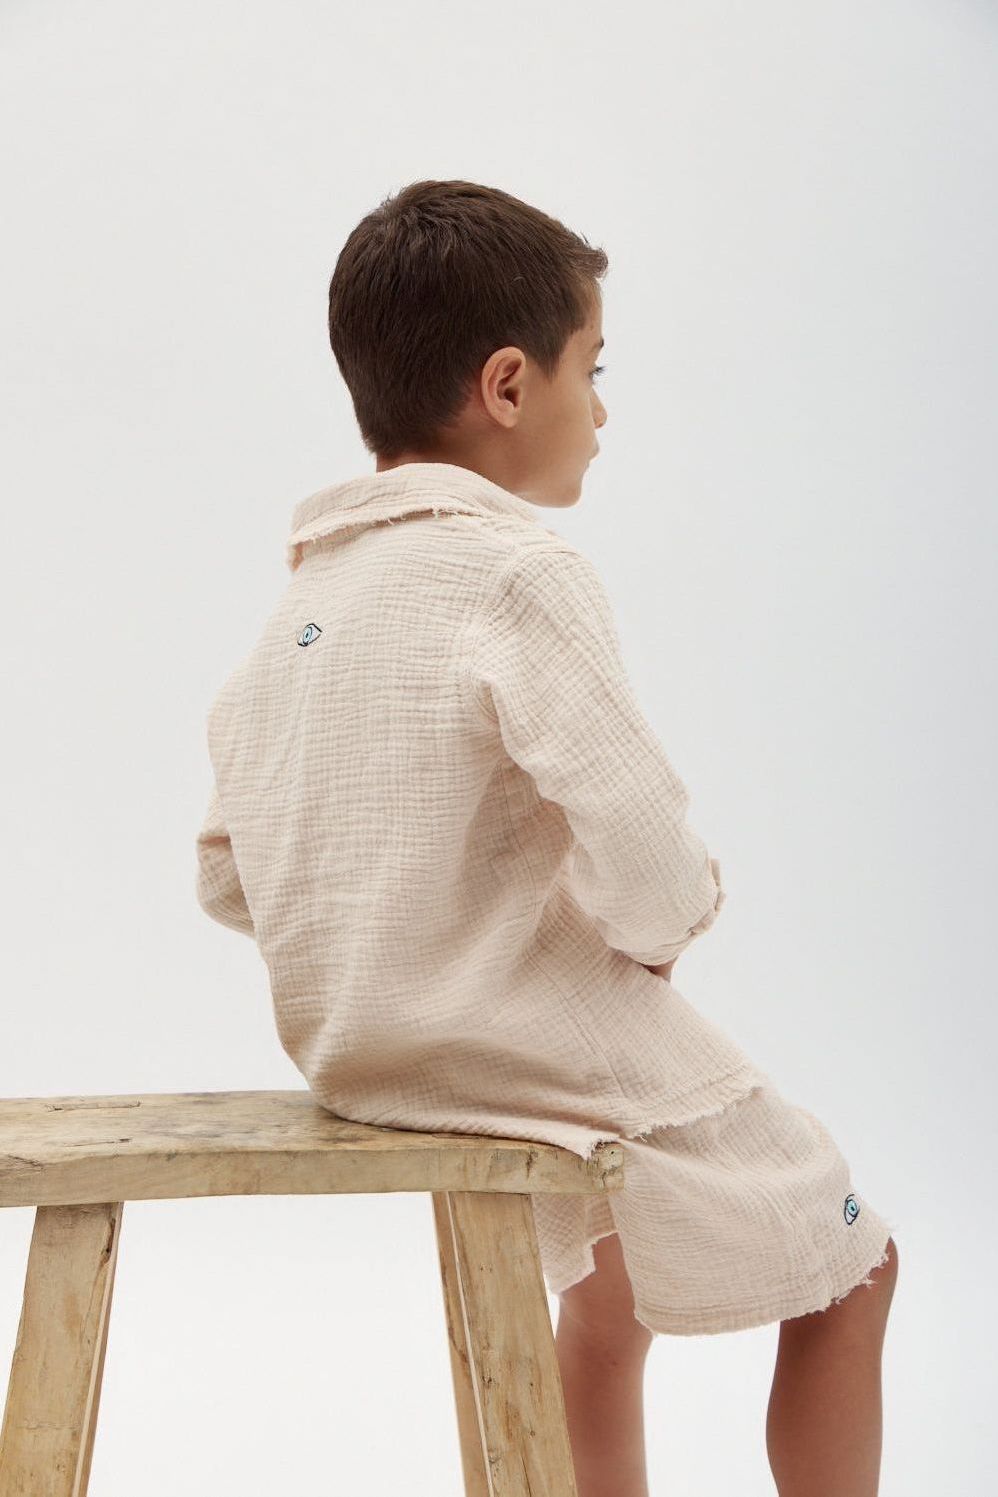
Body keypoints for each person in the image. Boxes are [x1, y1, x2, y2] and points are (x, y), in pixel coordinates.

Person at [195, 179, 898, 1496]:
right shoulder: (518, 572)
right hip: (513, 1041)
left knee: (607, 1299)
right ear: (510, 385)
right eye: (595, 368)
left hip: (355, 1051)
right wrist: (656, 934)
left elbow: (228, 874)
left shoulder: (304, 599)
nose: (604, 409)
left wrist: (367, 922)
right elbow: (641, 840)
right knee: (855, 1265)